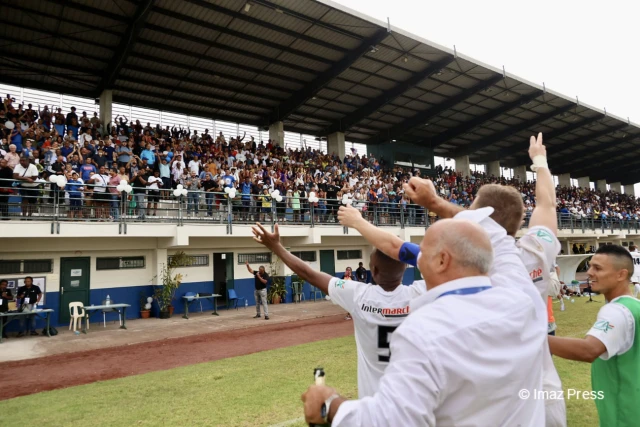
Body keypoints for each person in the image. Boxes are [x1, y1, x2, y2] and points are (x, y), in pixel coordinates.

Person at [298, 218, 545, 425]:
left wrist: (329, 404)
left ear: (442, 260)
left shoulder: (426, 332)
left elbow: (392, 418)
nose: (414, 256)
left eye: (422, 251)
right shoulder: (522, 303)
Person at [252, 223, 429, 398]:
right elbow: (444, 266)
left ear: (373, 270)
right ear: (406, 267)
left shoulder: (359, 296)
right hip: (414, 407)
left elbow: (309, 274)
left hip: (374, 410)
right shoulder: (422, 294)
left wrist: (276, 246)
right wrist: (402, 250)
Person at [549, 245, 640, 427]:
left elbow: (589, 350)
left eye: (597, 268)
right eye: (590, 266)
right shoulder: (634, 305)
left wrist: (532, 337)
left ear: (621, 275)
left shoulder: (617, 311)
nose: (589, 273)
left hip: (625, 416)